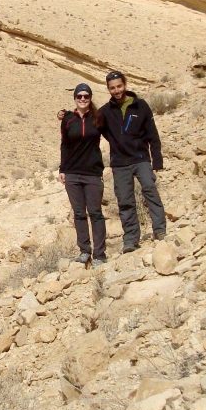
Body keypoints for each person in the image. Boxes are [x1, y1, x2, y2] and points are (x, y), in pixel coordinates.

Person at [98, 71, 166, 252]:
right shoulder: (105, 111)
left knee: (150, 191)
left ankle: (160, 230)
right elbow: (92, 126)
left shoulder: (140, 105)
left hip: (141, 158)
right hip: (120, 163)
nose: (116, 90)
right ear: (108, 89)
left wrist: (157, 162)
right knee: (125, 201)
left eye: (119, 86)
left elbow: (153, 134)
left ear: (125, 85)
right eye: (112, 88)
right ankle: (130, 239)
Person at [58, 83, 107, 265]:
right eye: (79, 96)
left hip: (92, 173)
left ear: (90, 98)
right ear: (75, 98)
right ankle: (84, 251)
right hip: (72, 174)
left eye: (86, 96)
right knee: (79, 213)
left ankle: (100, 254)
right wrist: (62, 169)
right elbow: (64, 144)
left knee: (95, 213)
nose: (83, 99)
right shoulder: (68, 119)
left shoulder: (98, 118)